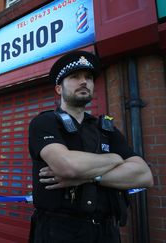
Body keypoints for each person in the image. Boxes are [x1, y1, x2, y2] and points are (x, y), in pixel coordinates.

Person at [28, 50, 154, 243]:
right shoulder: (45, 123)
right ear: (58, 89)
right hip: (59, 232)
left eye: (88, 77)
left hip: (107, 232)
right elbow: (68, 167)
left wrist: (92, 177)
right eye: (75, 77)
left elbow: (144, 175)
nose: (84, 82)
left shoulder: (106, 129)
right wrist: (115, 159)